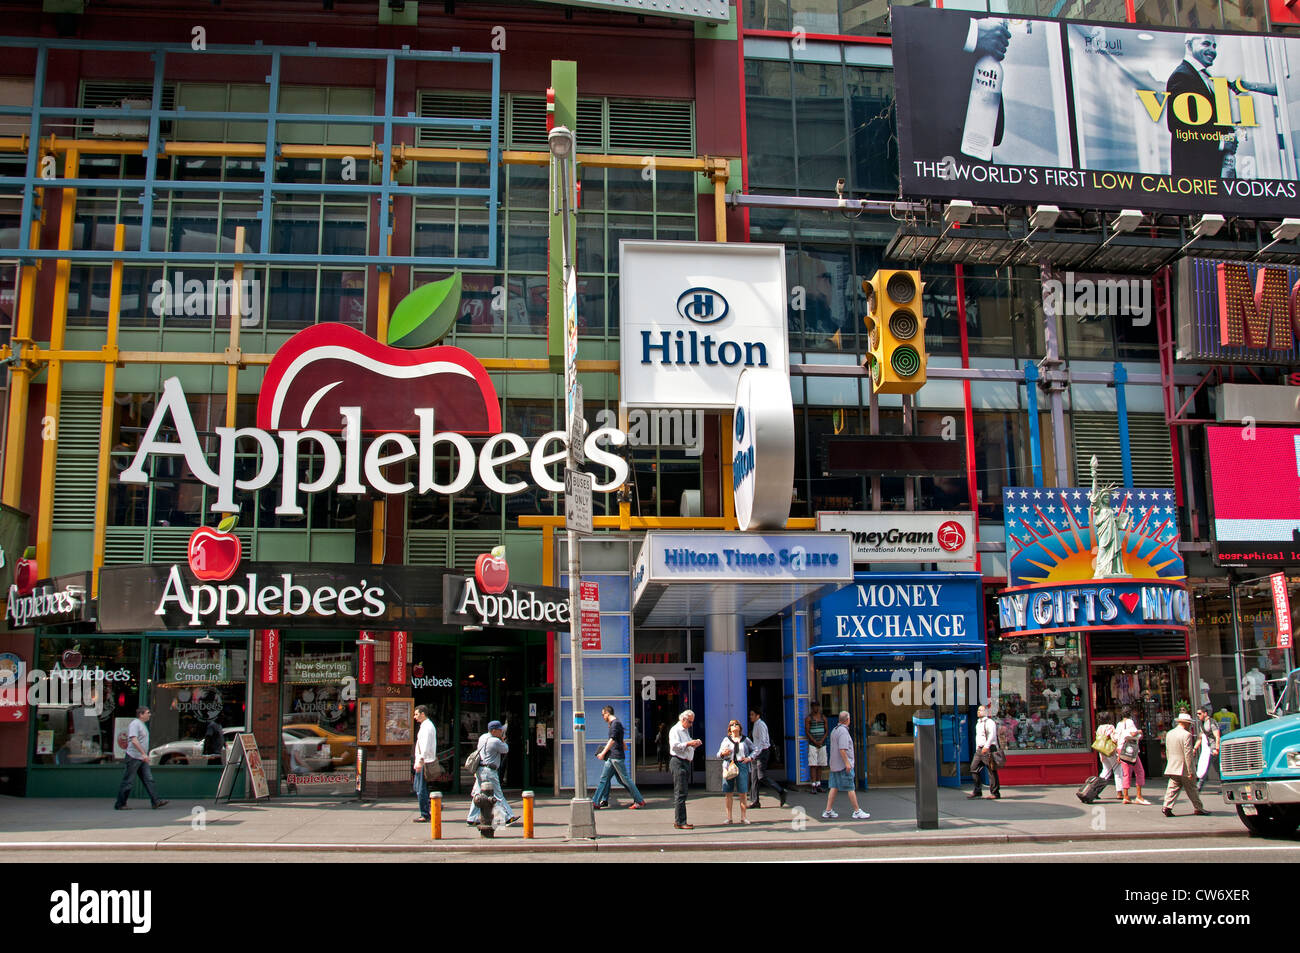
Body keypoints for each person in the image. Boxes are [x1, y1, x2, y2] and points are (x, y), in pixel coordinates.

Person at [1165, 35, 1276, 180]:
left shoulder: (1205, 77)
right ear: (1189, 45)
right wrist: (1221, 143)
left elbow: (1216, 120)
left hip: (1213, 170)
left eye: (1214, 46)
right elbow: (1178, 126)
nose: (1212, 50)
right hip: (1196, 175)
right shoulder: (1182, 75)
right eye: (1206, 44)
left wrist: (1237, 134)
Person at [906, 15, 1011, 162]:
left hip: (970, 158)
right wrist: (970, 32)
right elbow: (906, 24)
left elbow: (995, 134)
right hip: (931, 153)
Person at [593, 705, 646, 810]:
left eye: (603, 714)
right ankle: (596, 801)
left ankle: (639, 800)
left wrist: (603, 753)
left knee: (625, 779)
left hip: (616, 757)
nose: (603, 717)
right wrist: (624, 745)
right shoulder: (615, 724)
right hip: (613, 757)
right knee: (605, 779)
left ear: (608, 713)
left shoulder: (615, 724)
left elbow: (612, 740)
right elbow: (619, 738)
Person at [113, 707, 167, 810]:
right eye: (147, 713)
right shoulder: (135, 724)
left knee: (149, 779)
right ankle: (120, 804)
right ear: (141, 714)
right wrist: (143, 754)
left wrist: (143, 755)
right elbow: (134, 740)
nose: (149, 714)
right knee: (128, 781)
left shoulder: (142, 725)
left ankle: (156, 801)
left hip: (141, 758)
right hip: (133, 757)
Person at [467, 720, 517, 826]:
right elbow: (506, 749)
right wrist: (502, 740)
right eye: (500, 730)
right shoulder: (495, 741)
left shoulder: (482, 737)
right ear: (494, 731)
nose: (501, 732)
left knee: (478, 794)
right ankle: (509, 817)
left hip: (480, 769)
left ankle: (472, 818)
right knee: (498, 795)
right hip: (490, 771)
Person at [822, 710, 869, 821]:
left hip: (835, 765)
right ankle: (857, 811)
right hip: (843, 766)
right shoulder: (843, 732)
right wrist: (847, 763)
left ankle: (828, 810)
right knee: (850, 787)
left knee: (834, 787)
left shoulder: (835, 730)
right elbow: (842, 749)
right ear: (847, 720)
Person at [1163, 711, 1211, 817]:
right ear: (1185, 723)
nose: (1190, 725)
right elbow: (1188, 754)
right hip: (1183, 767)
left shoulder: (1170, 733)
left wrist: (1169, 763)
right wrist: (1190, 770)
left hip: (1173, 765)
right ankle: (1198, 808)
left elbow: (1167, 750)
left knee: (1172, 787)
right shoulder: (1187, 735)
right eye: (1189, 723)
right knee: (1192, 788)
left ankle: (1166, 806)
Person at [668, 709, 703, 830]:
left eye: (692, 722)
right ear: (683, 719)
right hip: (678, 762)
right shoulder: (676, 730)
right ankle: (680, 821)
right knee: (680, 792)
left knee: (683, 792)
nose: (690, 724)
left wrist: (693, 744)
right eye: (689, 722)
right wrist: (689, 743)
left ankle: (681, 820)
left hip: (685, 762)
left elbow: (685, 747)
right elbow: (675, 746)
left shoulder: (685, 731)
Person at [747, 707, 787, 809]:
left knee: (761, 776)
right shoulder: (756, 725)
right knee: (754, 778)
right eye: (750, 714)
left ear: (758, 715)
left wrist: (754, 755)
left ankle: (780, 790)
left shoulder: (760, 725)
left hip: (762, 753)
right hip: (757, 753)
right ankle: (755, 801)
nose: (750, 716)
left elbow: (762, 742)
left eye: (752, 714)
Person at [717, 719, 754, 825]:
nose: (734, 726)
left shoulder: (745, 740)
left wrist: (749, 758)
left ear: (740, 727)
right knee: (728, 792)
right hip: (729, 765)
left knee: (743, 792)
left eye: (736, 724)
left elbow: (755, 749)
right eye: (732, 725)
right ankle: (729, 818)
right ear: (729, 728)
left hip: (741, 765)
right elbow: (718, 754)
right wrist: (723, 753)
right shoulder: (726, 740)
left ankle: (743, 817)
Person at [1115, 706, 1151, 805]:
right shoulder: (1130, 722)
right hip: (1130, 749)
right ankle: (1139, 795)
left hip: (1121, 749)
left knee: (1126, 773)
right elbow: (1133, 733)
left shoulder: (1119, 724)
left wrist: (1118, 753)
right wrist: (1139, 731)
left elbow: (1115, 738)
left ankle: (1126, 796)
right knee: (1139, 771)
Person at [968, 704, 1001, 800]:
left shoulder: (990, 722)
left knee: (991, 771)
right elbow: (978, 737)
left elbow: (992, 735)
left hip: (988, 748)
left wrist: (986, 746)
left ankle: (995, 792)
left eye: (981, 710)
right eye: (978, 710)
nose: (978, 711)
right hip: (979, 750)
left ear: (986, 712)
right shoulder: (978, 723)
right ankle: (977, 790)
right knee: (973, 768)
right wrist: (978, 748)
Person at [412, 704, 437, 823]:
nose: (414, 717)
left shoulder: (427, 727)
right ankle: (430, 807)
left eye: (416, 714)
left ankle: (425, 813)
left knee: (420, 789)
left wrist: (420, 761)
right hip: (423, 761)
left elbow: (425, 746)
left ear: (423, 714)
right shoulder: (426, 726)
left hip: (423, 762)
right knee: (419, 787)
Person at [1093, 711, 1124, 799]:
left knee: (1105, 771)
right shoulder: (1110, 727)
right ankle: (1119, 792)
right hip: (1110, 751)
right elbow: (1114, 739)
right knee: (1117, 770)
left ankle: (1095, 790)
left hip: (1102, 752)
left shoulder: (1099, 728)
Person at [1193, 705, 1220, 793]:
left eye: (1199, 713)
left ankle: (1199, 786)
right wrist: (1195, 748)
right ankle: (1225, 784)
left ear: (1205, 713)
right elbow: (1200, 737)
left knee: (1206, 765)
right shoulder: (1202, 724)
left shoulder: (1212, 722)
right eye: (1197, 714)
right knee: (1217, 768)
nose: (1198, 715)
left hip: (1213, 748)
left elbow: (1217, 736)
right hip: (1208, 748)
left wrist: (1217, 748)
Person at [804, 702, 829, 793]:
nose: (815, 708)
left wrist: (821, 740)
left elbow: (826, 731)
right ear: (811, 707)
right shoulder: (809, 718)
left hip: (822, 743)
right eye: (814, 706)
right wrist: (815, 741)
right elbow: (807, 731)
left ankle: (818, 784)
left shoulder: (823, 718)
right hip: (813, 744)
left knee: (820, 764)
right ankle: (813, 785)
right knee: (813, 764)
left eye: (817, 706)